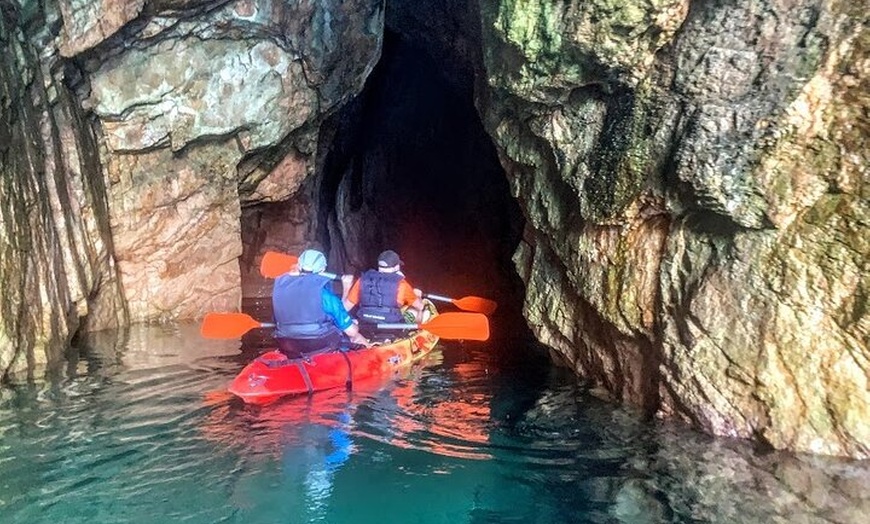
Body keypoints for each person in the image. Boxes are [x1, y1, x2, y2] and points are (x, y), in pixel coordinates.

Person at [272, 249, 369, 358]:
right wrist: (346, 288)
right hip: (319, 344)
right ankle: (375, 360)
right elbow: (351, 332)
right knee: (355, 336)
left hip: (288, 343)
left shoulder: (280, 290)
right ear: (323, 269)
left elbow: (276, 320)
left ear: (298, 267)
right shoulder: (326, 297)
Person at [343, 250, 425, 338]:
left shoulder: (363, 280)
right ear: (397, 267)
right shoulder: (401, 284)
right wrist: (417, 295)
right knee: (417, 311)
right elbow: (419, 306)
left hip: (365, 326)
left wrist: (346, 287)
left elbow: (344, 308)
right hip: (392, 328)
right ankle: (415, 334)